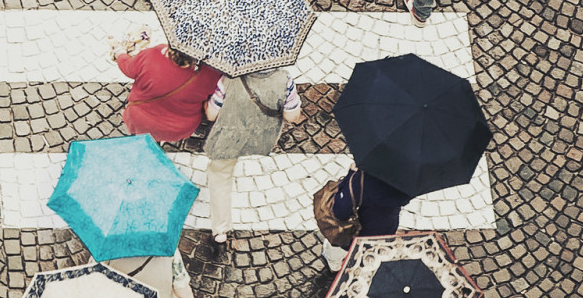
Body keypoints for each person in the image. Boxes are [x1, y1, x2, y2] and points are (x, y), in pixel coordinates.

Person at [201, 70, 303, 249]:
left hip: (228, 138)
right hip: (261, 136)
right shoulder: (285, 79)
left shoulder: (229, 78)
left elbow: (211, 114)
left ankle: (220, 230)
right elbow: (291, 116)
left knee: (220, 179)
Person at [115, 41, 222, 144]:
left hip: (141, 121)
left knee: (142, 136)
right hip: (178, 129)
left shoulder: (151, 56)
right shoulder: (213, 73)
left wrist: (120, 53)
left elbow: (127, 67)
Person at [320, 167, 411, 271]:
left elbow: (340, 211)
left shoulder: (362, 180)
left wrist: (351, 174)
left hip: (353, 235)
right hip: (384, 233)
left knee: (336, 252)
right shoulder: (407, 183)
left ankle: (334, 266)